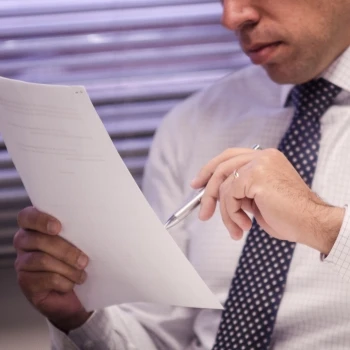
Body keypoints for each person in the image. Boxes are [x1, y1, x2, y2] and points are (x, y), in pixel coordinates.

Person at [13, 0, 350, 349]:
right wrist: (77, 318)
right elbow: (158, 336)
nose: (231, 17)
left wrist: (321, 225)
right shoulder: (193, 124)